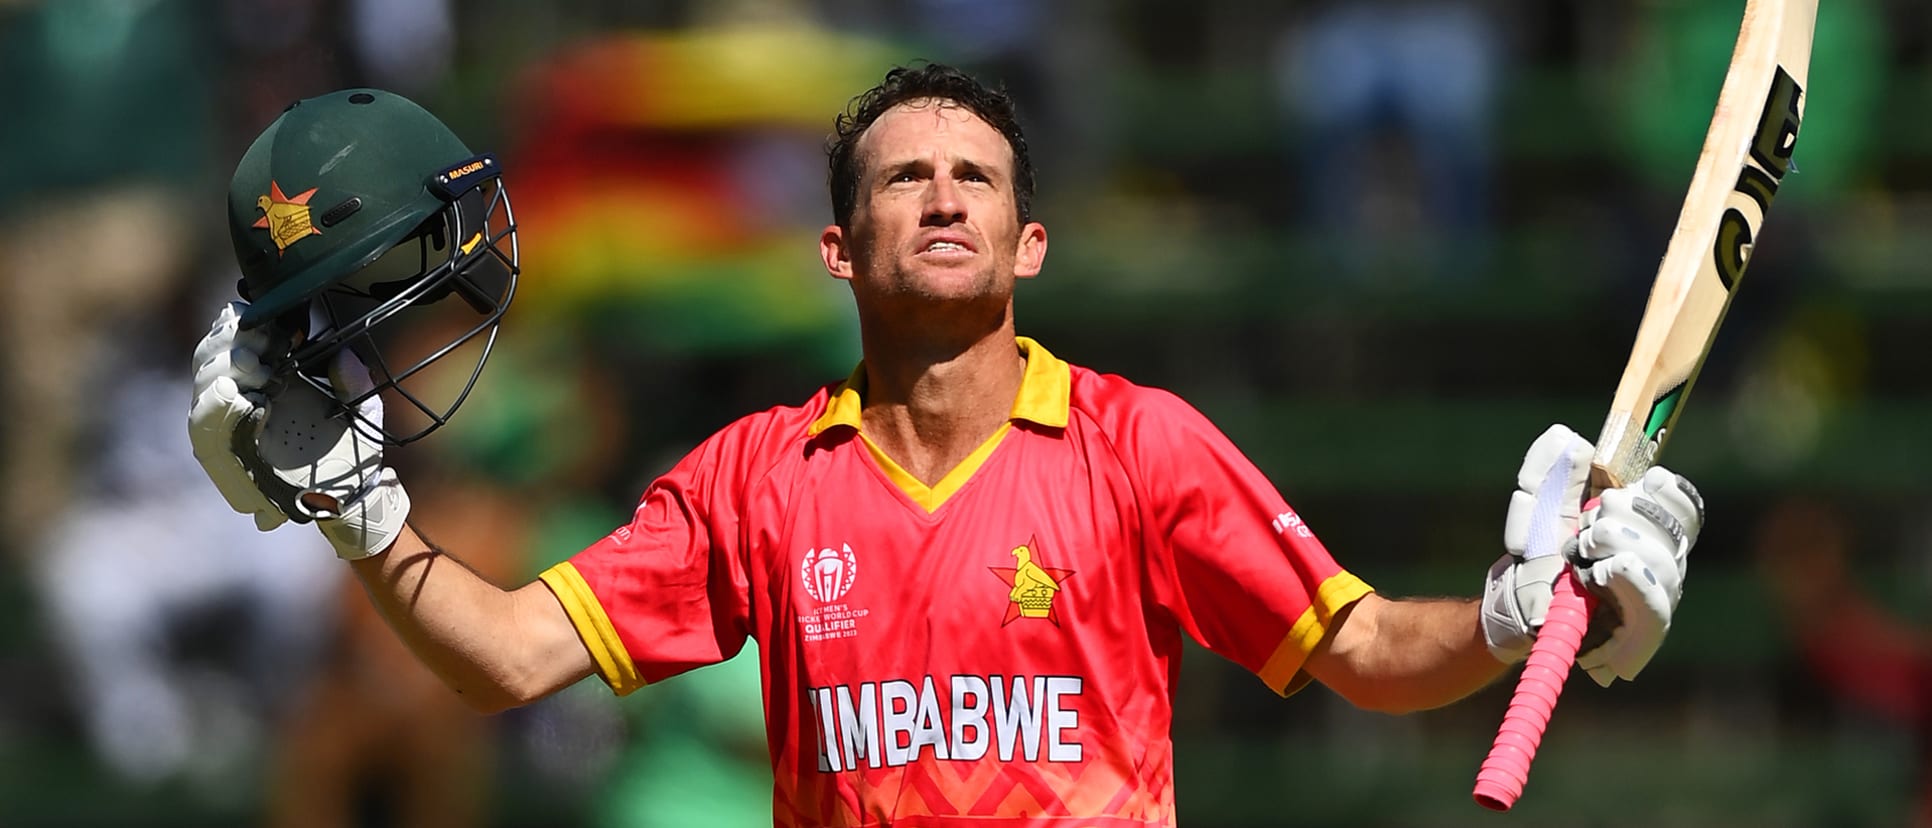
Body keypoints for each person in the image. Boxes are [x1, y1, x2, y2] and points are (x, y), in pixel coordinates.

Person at [188, 67, 1704, 825]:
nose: (943, 197)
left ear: (1029, 241)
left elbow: (1363, 646)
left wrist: (1518, 612)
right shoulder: (754, 478)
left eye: (976, 176)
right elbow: (510, 655)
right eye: (903, 178)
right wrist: (355, 507)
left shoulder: (1140, 448)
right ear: (841, 252)